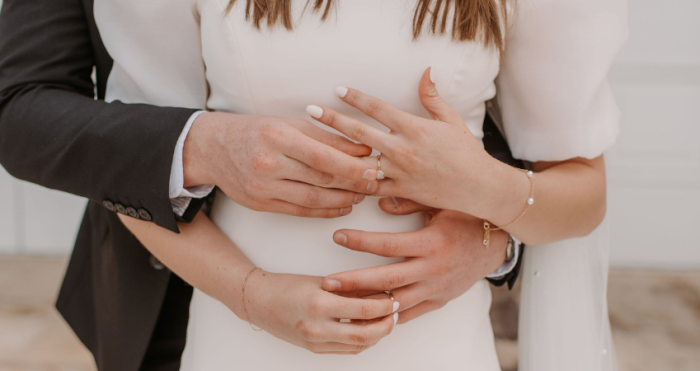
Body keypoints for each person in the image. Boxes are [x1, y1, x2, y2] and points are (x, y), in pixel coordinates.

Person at [0, 0, 522, 370]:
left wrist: (492, 233)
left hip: (430, 313)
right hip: (164, 291)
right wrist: (199, 146)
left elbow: (522, 124)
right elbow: (19, 106)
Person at [106, 0, 626, 370]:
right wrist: (250, 295)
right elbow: (133, 167)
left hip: (438, 347)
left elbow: (583, 192)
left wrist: (486, 192)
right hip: (236, 340)